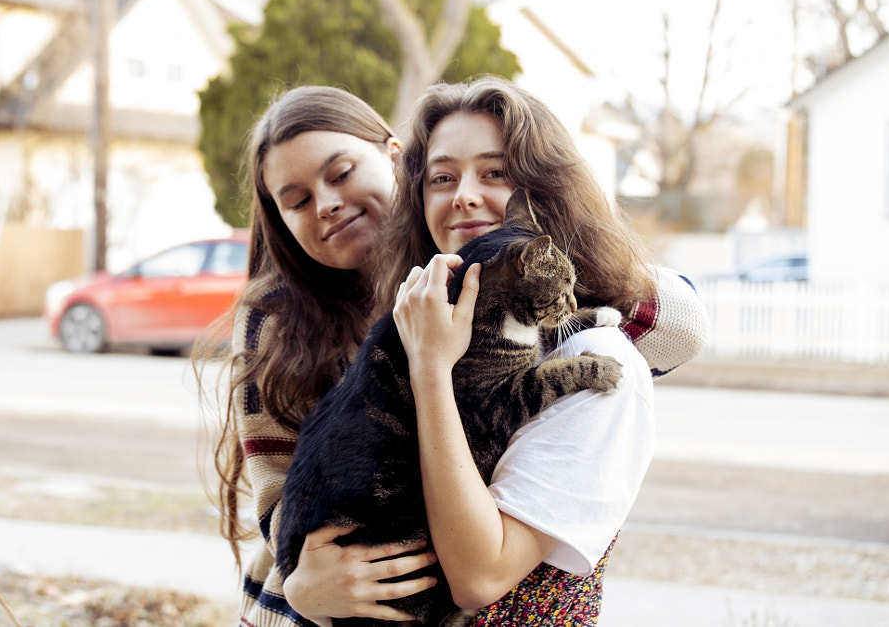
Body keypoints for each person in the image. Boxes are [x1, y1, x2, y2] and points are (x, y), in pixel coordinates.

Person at [202, 81, 707, 627]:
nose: (326, 204)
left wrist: (583, 271)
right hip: (306, 599)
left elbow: (679, 327)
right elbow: (282, 497)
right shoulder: (279, 316)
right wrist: (302, 589)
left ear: (398, 163)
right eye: (296, 200)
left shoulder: (478, 274)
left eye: (341, 172)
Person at [386, 76, 707, 622]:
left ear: (544, 191)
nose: (463, 193)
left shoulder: (596, 358)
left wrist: (430, 373)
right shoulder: (432, 325)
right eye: (443, 177)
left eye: (495, 173)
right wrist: (303, 587)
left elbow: (480, 576)